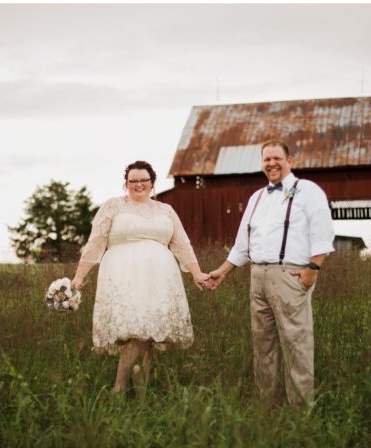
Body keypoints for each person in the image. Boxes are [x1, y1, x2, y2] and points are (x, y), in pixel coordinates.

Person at [208, 140, 335, 409]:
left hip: (290, 275)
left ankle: (301, 410)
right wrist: (223, 271)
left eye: (277, 158)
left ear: (290, 160)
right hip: (258, 276)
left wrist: (313, 269)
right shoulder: (256, 197)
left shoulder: (308, 191)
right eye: (266, 159)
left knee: (296, 343)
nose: (271, 163)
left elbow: (323, 233)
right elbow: (243, 243)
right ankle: (266, 407)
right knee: (262, 343)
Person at [71, 160, 211, 394]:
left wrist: (196, 273)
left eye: (143, 180)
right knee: (138, 332)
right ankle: (119, 388)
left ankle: (140, 393)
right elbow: (95, 244)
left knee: (148, 334)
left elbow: (181, 244)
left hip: (159, 279)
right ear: (125, 184)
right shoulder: (112, 207)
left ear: (152, 183)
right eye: (132, 181)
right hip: (123, 276)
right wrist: (78, 277)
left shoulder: (165, 210)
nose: (138, 185)